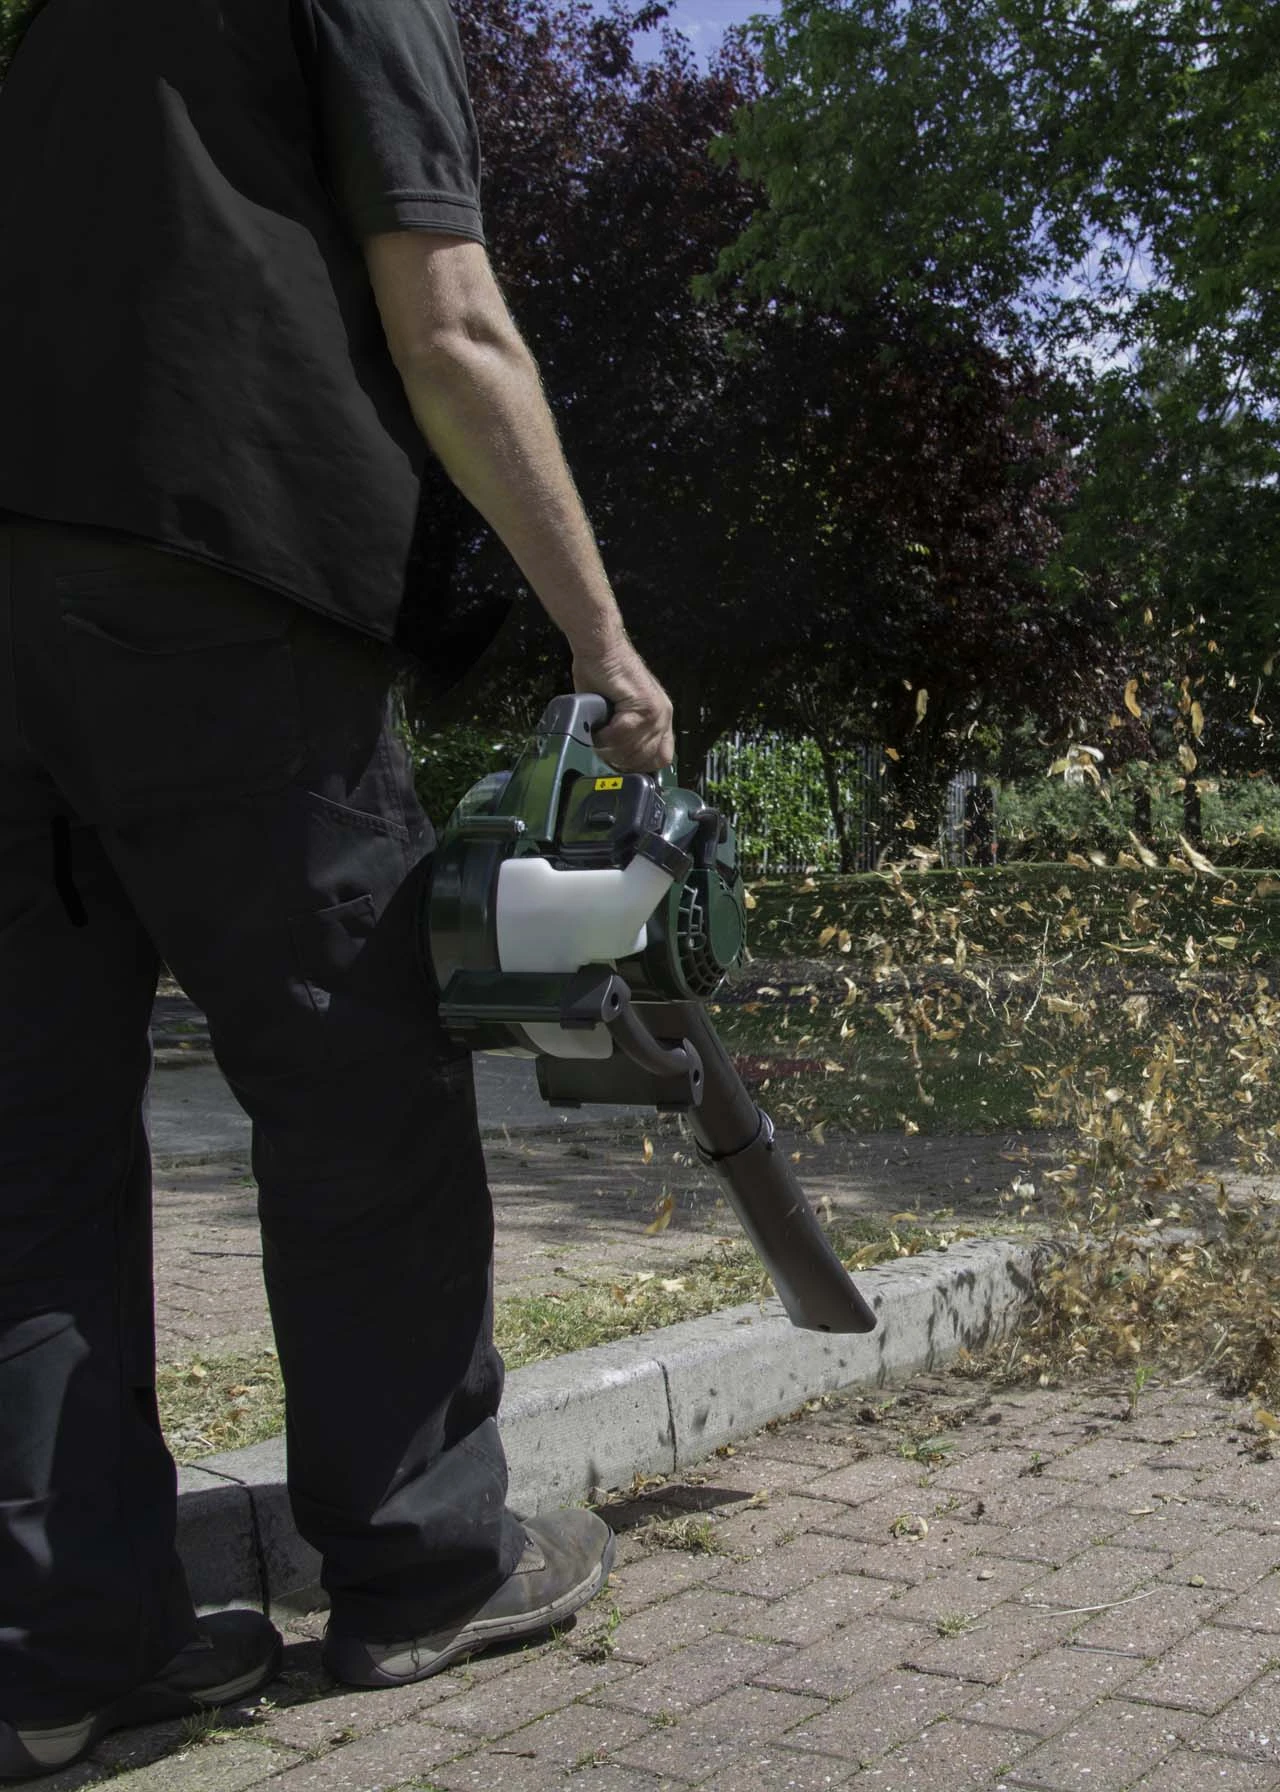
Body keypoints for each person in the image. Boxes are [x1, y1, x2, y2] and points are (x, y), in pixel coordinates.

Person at [0, 0, 674, 1777]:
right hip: (215, 584)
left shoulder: (55, 33)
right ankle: (427, 1563)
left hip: (13, 617)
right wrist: (602, 639)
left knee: (32, 1151)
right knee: (360, 1083)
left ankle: (66, 1655)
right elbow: (450, 324)